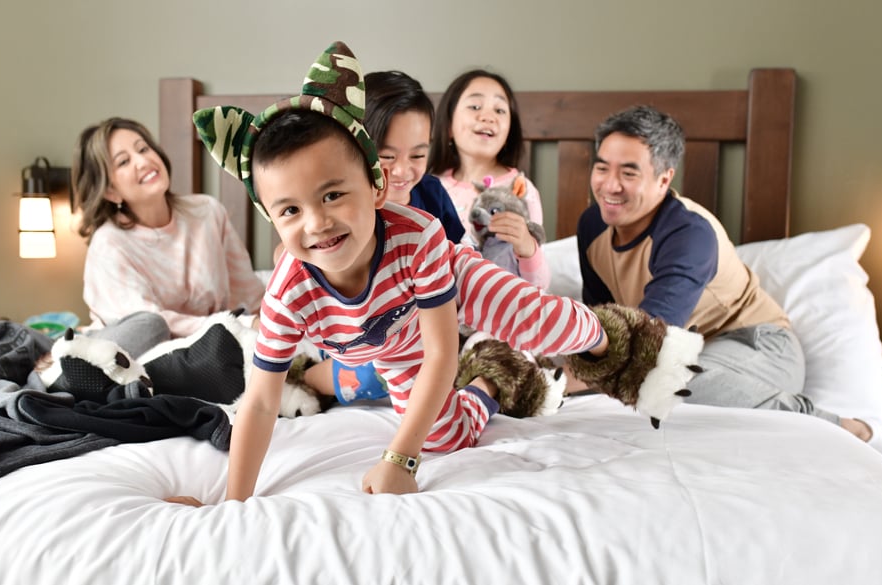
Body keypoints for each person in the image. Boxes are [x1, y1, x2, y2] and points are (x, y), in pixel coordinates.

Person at [173, 42, 615, 503]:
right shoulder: (288, 294)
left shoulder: (419, 233)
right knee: (445, 438)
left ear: (375, 187)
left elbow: (442, 352)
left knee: (540, 322)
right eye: (290, 209)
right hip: (393, 340)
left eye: (332, 196)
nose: (317, 223)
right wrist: (232, 501)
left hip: (453, 280)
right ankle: (492, 379)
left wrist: (399, 458)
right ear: (271, 218)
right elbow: (262, 402)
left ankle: (612, 337)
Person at [575, 105, 872, 441]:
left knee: (663, 379)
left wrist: (576, 376)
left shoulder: (689, 233)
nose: (609, 186)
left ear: (664, 179)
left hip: (756, 345)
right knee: (626, 388)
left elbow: (647, 340)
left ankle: (833, 425)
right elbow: (599, 321)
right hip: (679, 352)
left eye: (628, 174)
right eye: (602, 168)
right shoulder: (593, 223)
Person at [299, 70, 465, 404]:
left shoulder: (431, 194)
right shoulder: (344, 205)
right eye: (387, 156)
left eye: (418, 155)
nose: (402, 171)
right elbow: (292, 259)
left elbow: (459, 261)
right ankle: (304, 377)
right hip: (353, 339)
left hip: (425, 330)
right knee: (370, 372)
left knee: (464, 353)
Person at [72, 117, 265, 358]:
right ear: (110, 191)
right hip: (132, 355)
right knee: (152, 327)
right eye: (124, 162)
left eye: (143, 148)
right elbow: (148, 326)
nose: (143, 161)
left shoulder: (207, 212)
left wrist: (275, 326)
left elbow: (248, 290)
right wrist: (241, 325)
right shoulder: (109, 244)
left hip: (208, 349)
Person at [430, 70, 550, 289]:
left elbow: (538, 286)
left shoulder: (520, 190)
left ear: (509, 131)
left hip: (502, 310)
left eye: (500, 110)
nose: (488, 116)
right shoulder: (430, 187)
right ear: (448, 125)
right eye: (475, 106)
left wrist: (527, 246)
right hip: (442, 310)